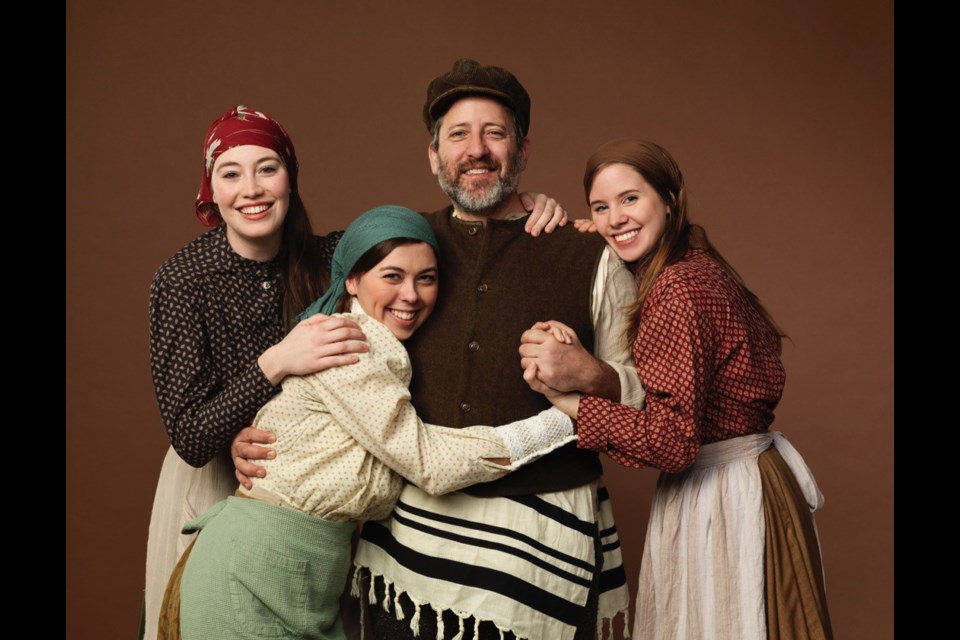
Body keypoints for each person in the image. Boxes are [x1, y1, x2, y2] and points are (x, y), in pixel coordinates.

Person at [143, 106, 566, 640]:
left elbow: (406, 242)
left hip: (317, 508)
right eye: (231, 173)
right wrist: (277, 363)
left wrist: (525, 211)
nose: (251, 189)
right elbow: (189, 435)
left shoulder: (328, 256)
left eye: (267, 168)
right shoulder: (183, 280)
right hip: (220, 474)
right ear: (211, 188)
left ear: (291, 178)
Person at [347, 59, 645, 640]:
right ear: (433, 156)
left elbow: (642, 396)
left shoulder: (589, 254)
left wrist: (595, 375)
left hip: (541, 551)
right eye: (458, 135)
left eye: (495, 133)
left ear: (523, 150)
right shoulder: (399, 245)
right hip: (409, 548)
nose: (476, 150)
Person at [523, 138, 833, 639]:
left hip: (724, 496)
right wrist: (595, 241)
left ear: (668, 198)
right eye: (600, 207)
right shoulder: (696, 265)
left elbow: (673, 441)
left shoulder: (677, 288)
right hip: (755, 479)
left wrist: (574, 404)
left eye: (630, 199)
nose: (615, 217)